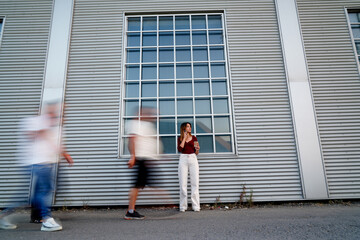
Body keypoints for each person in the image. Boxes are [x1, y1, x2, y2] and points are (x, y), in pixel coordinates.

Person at [0, 102, 73, 231]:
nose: (55, 114)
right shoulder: (33, 121)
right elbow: (31, 134)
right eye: (52, 111)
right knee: (42, 191)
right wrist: (44, 129)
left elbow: (51, 142)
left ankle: (3, 215)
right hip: (36, 163)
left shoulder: (51, 125)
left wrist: (63, 154)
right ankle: (46, 220)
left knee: (29, 195)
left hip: (44, 163)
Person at [125, 107, 162, 220]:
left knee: (139, 185)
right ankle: (130, 211)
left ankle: (131, 210)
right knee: (137, 185)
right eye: (149, 114)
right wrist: (133, 156)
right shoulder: (135, 124)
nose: (151, 116)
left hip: (147, 159)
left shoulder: (145, 125)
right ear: (140, 114)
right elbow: (132, 140)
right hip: (141, 159)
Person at [177, 122, 200, 212]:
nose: (190, 128)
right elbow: (180, 149)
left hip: (193, 158)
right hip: (183, 159)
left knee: (195, 183)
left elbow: (196, 152)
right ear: (184, 128)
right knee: (183, 184)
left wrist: (197, 150)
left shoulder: (194, 138)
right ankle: (183, 206)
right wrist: (184, 138)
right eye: (188, 126)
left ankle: (196, 206)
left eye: (190, 126)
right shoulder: (180, 138)